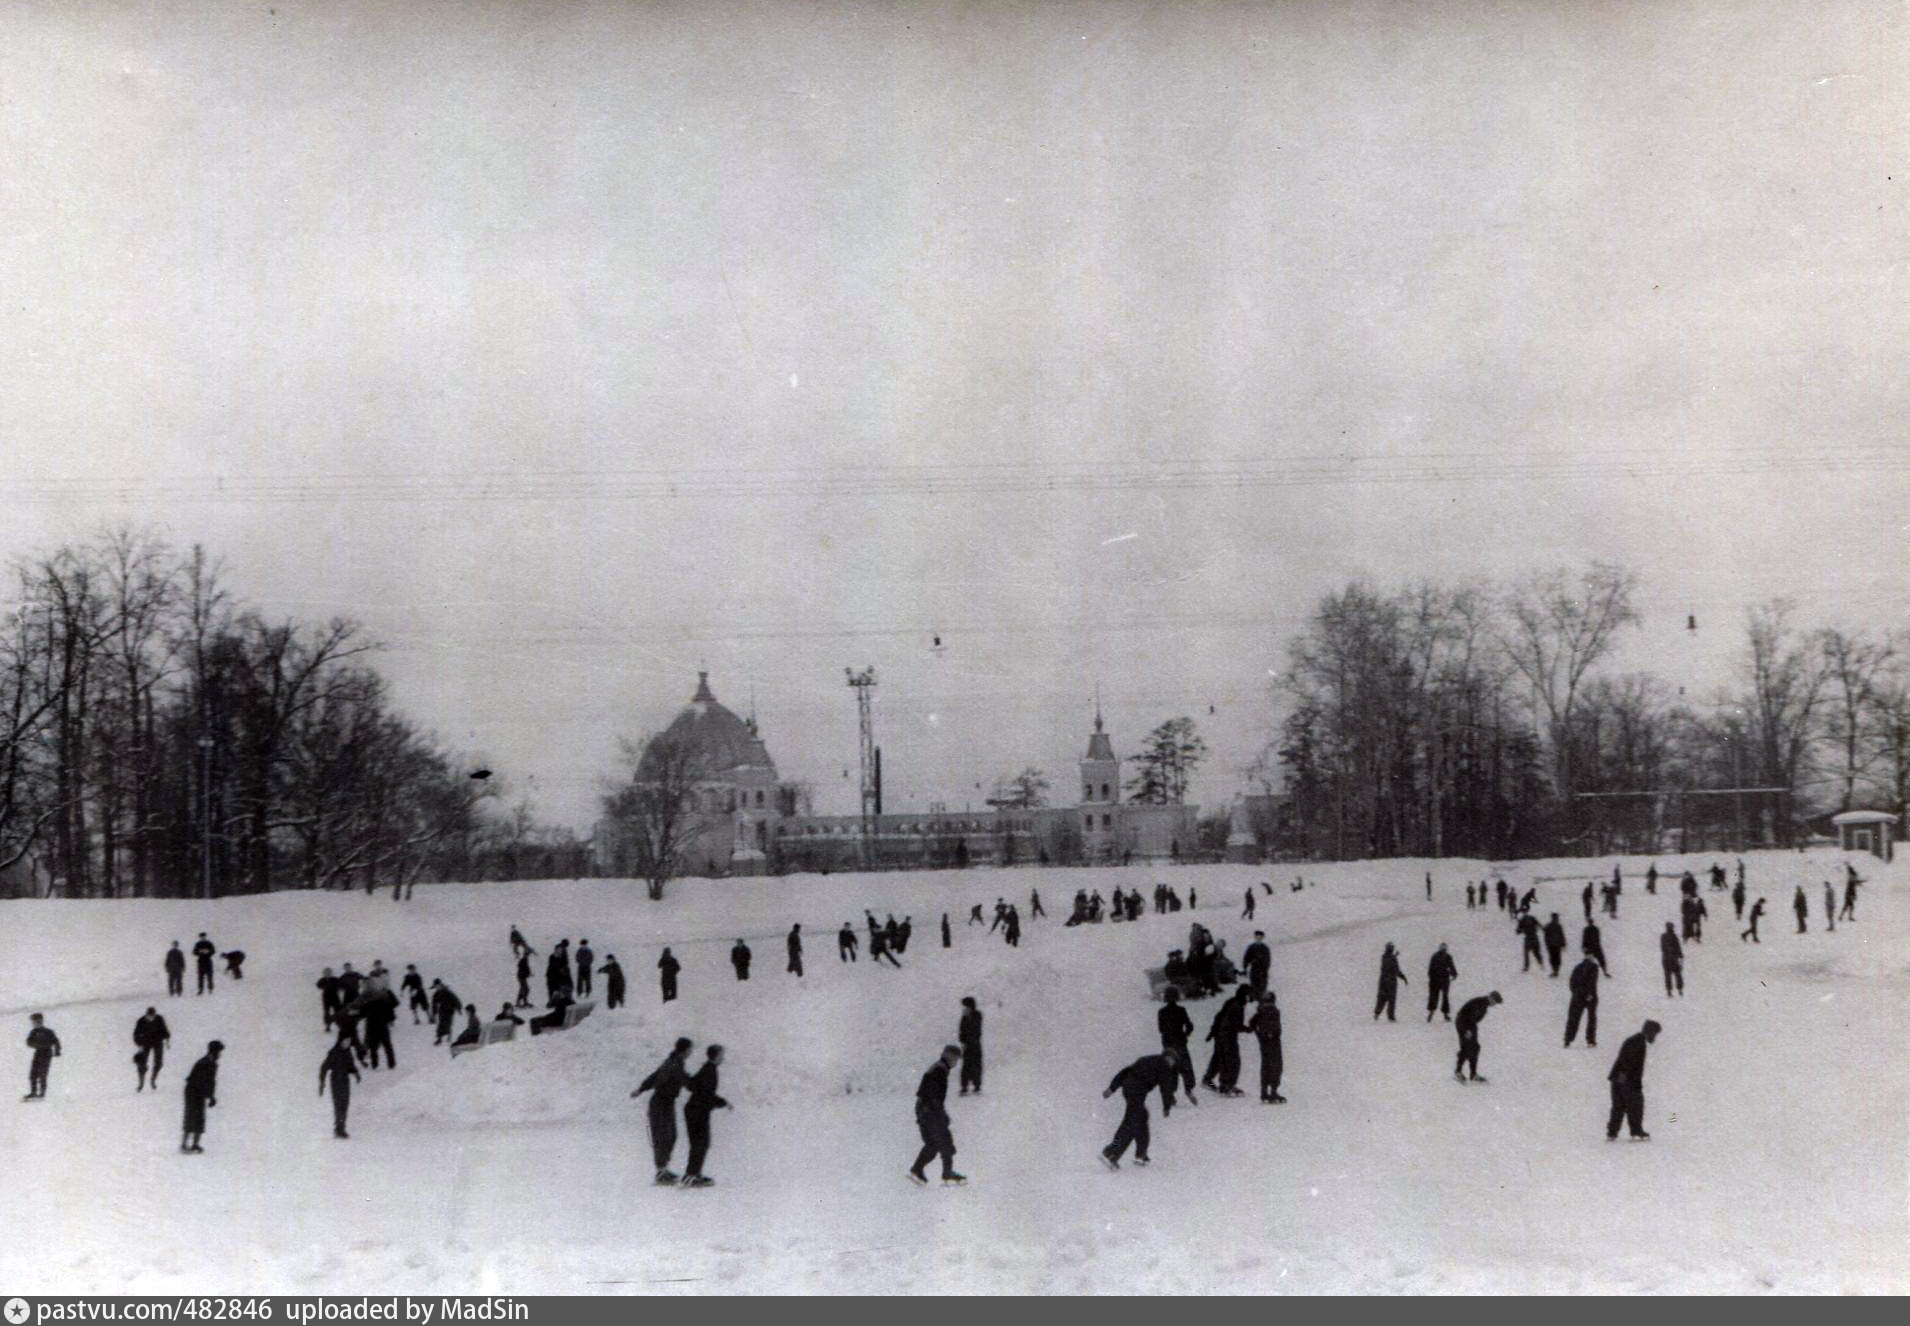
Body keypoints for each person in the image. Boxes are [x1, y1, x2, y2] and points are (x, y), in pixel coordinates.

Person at [1101, 1048, 1179, 1169]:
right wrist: (1166, 1107)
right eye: (1173, 1060)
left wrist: (1112, 1088)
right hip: (1137, 1092)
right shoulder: (1165, 1066)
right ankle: (1111, 1153)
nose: (1172, 1063)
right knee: (1132, 1122)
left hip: (1128, 1089)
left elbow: (1125, 1072)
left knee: (1141, 1117)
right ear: (1169, 1058)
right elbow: (1165, 1088)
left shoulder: (1146, 1059)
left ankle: (1141, 1155)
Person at [632, 1038, 694, 1184]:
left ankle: (663, 1169)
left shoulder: (673, 1061)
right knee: (663, 1136)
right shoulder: (674, 1065)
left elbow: (654, 1076)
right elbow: (685, 1081)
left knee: (671, 1136)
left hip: (666, 1103)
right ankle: (661, 1172)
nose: (691, 1052)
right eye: (690, 1049)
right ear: (685, 1050)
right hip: (660, 1103)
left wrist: (640, 1089)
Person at [907, 1045, 966, 1185]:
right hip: (929, 1111)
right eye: (956, 1059)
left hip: (924, 1109)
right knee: (945, 1140)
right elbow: (933, 1095)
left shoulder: (939, 1068)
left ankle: (917, 1169)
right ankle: (947, 1173)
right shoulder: (939, 1070)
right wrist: (940, 1114)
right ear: (949, 1056)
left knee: (933, 1144)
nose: (956, 1063)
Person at [681, 1045, 730, 1187]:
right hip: (698, 1111)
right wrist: (722, 1102)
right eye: (721, 1055)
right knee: (700, 1143)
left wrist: (720, 1102)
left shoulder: (707, 1069)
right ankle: (691, 1176)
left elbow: (692, 1086)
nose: (723, 1058)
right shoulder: (710, 1071)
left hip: (695, 1110)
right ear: (715, 1056)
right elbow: (706, 1094)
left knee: (700, 1143)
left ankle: (693, 1174)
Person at [1606, 1021, 1662, 1141]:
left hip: (1618, 1078)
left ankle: (1612, 1133)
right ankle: (1636, 1131)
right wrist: (1626, 1080)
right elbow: (1627, 1061)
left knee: (1618, 1106)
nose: (1655, 1037)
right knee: (1635, 1105)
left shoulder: (1635, 1040)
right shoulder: (1638, 1043)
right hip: (1626, 1080)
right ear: (1649, 1032)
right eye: (1655, 1034)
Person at [1203, 986, 1251, 1094]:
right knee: (1232, 1060)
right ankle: (1227, 1085)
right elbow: (1234, 1024)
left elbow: (1220, 1016)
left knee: (1221, 1058)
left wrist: (1213, 1032)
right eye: (1248, 995)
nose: (1249, 998)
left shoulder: (1232, 1002)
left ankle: (1212, 1081)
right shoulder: (1237, 1005)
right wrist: (1247, 1029)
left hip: (1220, 1033)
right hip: (1227, 1035)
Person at [181, 1040, 223, 1153]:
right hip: (192, 1091)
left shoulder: (212, 1063)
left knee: (199, 1117)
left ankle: (195, 1144)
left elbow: (210, 1082)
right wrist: (210, 1096)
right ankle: (184, 1145)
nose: (220, 1054)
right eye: (219, 1051)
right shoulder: (204, 1063)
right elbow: (201, 1081)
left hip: (199, 1091)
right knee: (191, 1117)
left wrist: (211, 1096)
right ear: (214, 1051)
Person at [1157, 988, 1198, 1103]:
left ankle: (1170, 1093)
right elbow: (1189, 1025)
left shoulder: (1161, 1012)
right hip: (1180, 1043)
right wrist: (1186, 1033)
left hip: (1168, 1045)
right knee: (1186, 1068)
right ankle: (1188, 1089)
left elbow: (1160, 1029)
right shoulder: (1181, 1010)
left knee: (1170, 1069)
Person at [1453, 991, 1502, 1083]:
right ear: (1491, 998)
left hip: (1469, 1025)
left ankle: (1473, 1074)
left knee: (1474, 1048)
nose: (1494, 1004)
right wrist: (1467, 1030)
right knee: (1467, 1047)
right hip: (1464, 1024)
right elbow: (1468, 1017)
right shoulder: (1480, 1004)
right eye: (1495, 1002)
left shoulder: (1483, 1005)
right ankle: (1458, 1072)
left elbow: (1474, 1019)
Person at [319, 1035, 360, 1139]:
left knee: (345, 1104)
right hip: (336, 1081)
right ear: (341, 1041)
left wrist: (356, 1073)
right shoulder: (334, 1052)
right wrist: (322, 1082)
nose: (347, 1043)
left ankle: (341, 1128)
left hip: (345, 1081)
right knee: (338, 1105)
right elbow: (324, 1067)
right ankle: (338, 1129)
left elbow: (350, 1065)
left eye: (349, 1041)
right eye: (346, 1041)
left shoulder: (348, 1052)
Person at [1250, 992, 1285, 1103]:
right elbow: (1275, 1028)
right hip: (1274, 1042)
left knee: (1265, 1065)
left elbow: (1252, 1024)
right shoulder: (1273, 1011)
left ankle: (1264, 1091)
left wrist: (1259, 1035)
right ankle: (1273, 1091)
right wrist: (1271, 1034)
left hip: (1264, 1042)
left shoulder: (1260, 1011)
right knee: (1276, 1065)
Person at [1565, 956, 1600, 1047]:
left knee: (1573, 1017)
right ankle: (1590, 1040)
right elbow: (1592, 982)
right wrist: (1589, 994)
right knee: (1591, 1019)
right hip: (1590, 997)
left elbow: (1571, 982)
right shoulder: (1594, 967)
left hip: (1577, 996)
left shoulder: (1577, 967)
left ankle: (1568, 1039)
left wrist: (1575, 992)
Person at [133, 1007, 171, 1091]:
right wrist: (139, 1043)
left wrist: (167, 1036)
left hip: (157, 1042)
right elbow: (136, 1034)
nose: (151, 1017)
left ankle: (153, 1080)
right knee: (141, 1063)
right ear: (146, 1015)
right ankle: (141, 1083)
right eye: (149, 1016)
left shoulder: (159, 1019)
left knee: (158, 1063)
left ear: (155, 1015)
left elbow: (164, 1030)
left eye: (152, 1016)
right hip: (145, 1044)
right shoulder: (141, 1021)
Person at [24, 1013, 60, 1099]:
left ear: (41, 1021)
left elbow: (56, 1041)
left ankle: (42, 1093)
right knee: (33, 1074)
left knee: (42, 1074)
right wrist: (37, 1045)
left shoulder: (48, 1031)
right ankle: (33, 1092)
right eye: (33, 1022)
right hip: (38, 1053)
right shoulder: (33, 1032)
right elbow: (29, 1042)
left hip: (47, 1054)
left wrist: (57, 1051)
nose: (34, 1023)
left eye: (36, 1021)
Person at [362, 985, 398, 1069]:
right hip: (383, 1027)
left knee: (373, 1047)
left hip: (372, 1028)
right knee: (387, 1045)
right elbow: (391, 1015)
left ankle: (375, 1064)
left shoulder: (368, 1004)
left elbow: (361, 1013)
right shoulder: (384, 1003)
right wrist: (390, 1020)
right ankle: (391, 1064)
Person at [1374, 943, 1407, 1021]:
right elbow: (1395, 969)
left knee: (1383, 998)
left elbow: (1392, 967)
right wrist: (1403, 977)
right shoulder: (1390, 958)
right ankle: (1389, 1016)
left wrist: (1403, 977)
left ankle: (1379, 1013)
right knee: (1389, 999)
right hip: (1390, 981)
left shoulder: (1385, 957)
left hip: (1384, 980)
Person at [958, 997, 984, 1095]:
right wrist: (962, 1041)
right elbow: (961, 1030)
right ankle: (964, 1087)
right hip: (967, 1045)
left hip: (975, 1045)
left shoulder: (977, 1015)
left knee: (976, 1065)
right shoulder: (964, 1017)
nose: (964, 1008)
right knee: (966, 1066)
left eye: (966, 1006)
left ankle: (977, 1086)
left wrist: (969, 1017)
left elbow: (976, 1029)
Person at [1426, 943, 1457, 1022]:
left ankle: (1432, 1013)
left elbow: (1430, 969)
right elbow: (1451, 966)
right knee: (1444, 997)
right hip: (1442, 980)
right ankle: (1443, 1014)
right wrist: (1454, 974)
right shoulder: (1446, 956)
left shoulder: (1436, 956)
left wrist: (1454, 973)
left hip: (1436, 980)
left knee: (1435, 997)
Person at [1240, 931, 1272, 998]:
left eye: (1260, 937)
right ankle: (1254, 996)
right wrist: (1245, 967)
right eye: (1257, 937)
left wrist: (1265, 968)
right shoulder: (1251, 947)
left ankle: (1262, 997)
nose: (1258, 938)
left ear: (1263, 938)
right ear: (1255, 937)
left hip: (1262, 970)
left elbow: (1268, 960)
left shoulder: (1265, 948)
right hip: (1254, 969)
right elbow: (1246, 958)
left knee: (1262, 985)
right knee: (1254, 984)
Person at [429, 979, 461, 1045]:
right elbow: (434, 1004)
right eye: (436, 986)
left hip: (450, 1010)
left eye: (438, 986)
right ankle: (439, 1039)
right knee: (441, 1024)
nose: (437, 987)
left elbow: (455, 1000)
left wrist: (458, 1008)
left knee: (448, 1023)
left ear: (440, 985)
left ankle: (449, 1036)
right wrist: (434, 1014)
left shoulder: (447, 992)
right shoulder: (436, 994)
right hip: (442, 1010)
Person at [1659, 923, 1684, 996]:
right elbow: (1678, 947)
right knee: (1677, 974)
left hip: (1666, 959)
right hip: (1673, 959)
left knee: (1668, 975)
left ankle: (1669, 991)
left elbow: (1662, 948)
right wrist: (1680, 956)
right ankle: (1679, 989)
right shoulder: (1674, 936)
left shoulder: (1663, 936)